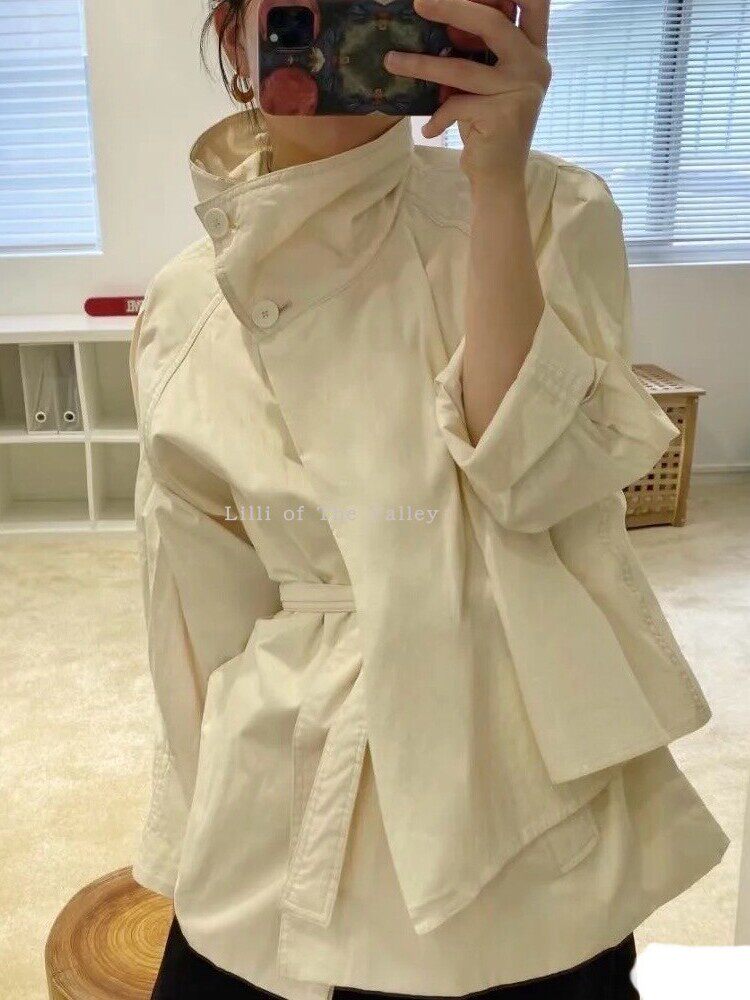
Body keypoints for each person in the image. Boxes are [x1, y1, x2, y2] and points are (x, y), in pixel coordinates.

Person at [129, 1, 729, 998]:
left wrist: (495, 178)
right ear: (236, 36)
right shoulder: (188, 299)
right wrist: (195, 823)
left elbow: (536, 484)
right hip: (281, 785)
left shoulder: (545, 207)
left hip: (517, 798)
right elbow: (191, 603)